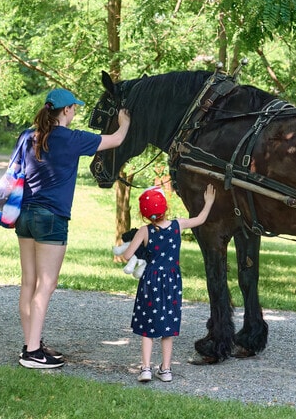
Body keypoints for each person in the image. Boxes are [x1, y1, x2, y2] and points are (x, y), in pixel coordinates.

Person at [16, 88, 131, 369]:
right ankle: (33, 353)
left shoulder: (26, 136)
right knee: (46, 285)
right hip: (52, 219)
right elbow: (116, 139)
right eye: (74, 108)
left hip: (24, 215)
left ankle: (31, 343)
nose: (75, 112)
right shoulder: (72, 139)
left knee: (29, 283)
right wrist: (124, 120)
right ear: (66, 110)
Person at [122, 184, 216, 382]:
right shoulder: (177, 225)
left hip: (150, 281)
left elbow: (127, 255)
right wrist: (208, 203)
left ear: (144, 214)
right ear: (166, 208)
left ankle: (146, 369)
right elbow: (200, 219)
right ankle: (165, 370)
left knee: (147, 328)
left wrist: (138, 252)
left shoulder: (144, 231)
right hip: (172, 281)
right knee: (167, 327)